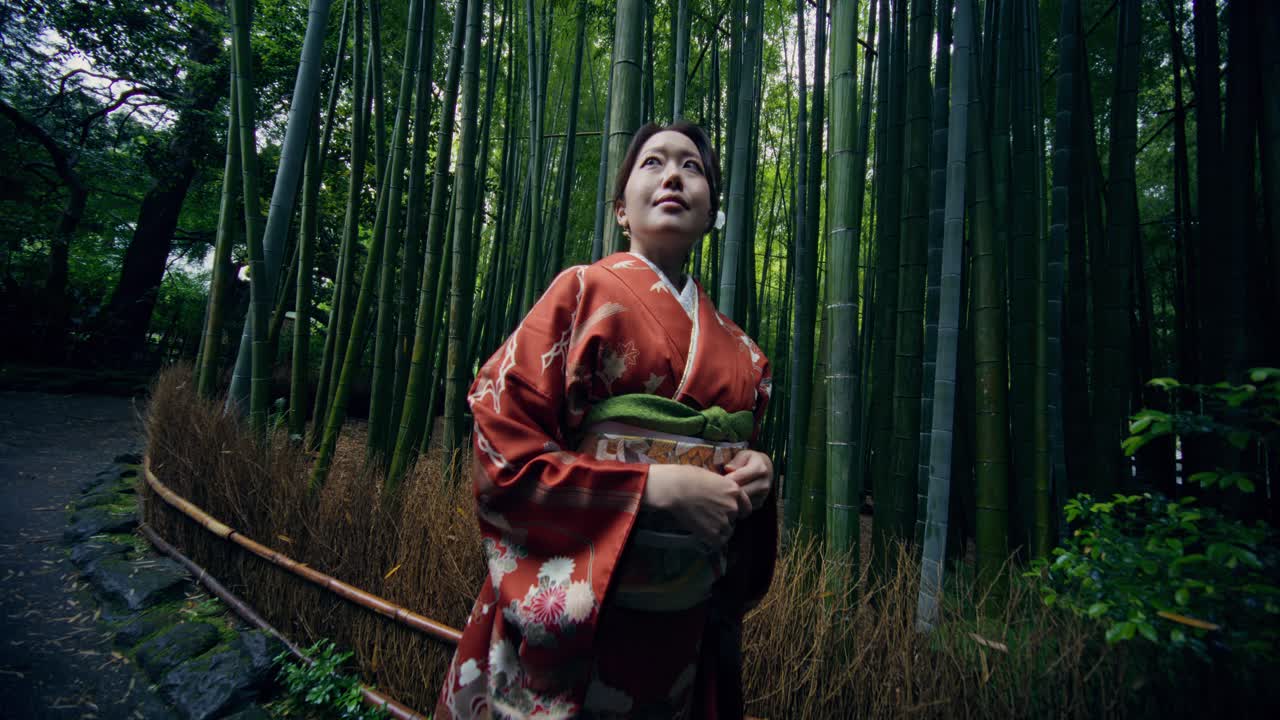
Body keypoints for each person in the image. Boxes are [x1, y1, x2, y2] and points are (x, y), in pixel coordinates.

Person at [437, 122, 776, 719]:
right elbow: (502, 445)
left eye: (691, 168)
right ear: (622, 210)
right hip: (579, 623)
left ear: (711, 213)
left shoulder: (745, 353)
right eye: (653, 163)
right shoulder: (581, 293)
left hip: (680, 636)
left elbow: (739, 486)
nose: (673, 175)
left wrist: (757, 474)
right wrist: (649, 491)